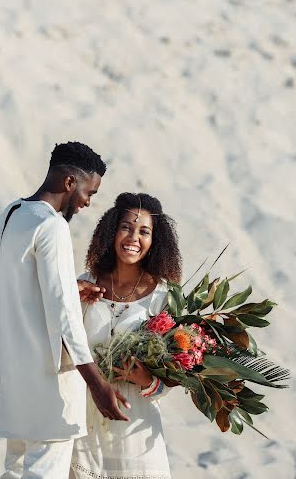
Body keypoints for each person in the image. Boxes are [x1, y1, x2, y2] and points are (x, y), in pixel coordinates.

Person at [0, 142, 130, 479]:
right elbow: (64, 317)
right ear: (68, 182)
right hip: (48, 388)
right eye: (88, 192)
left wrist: (67, 287)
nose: (87, 203)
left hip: (10, 384)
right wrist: (96, 383)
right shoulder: (52, 227)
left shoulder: (8, 215)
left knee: (14, 471)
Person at [70, 192, 182, 479]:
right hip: (83, 423)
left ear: (155, 241)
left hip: (135, 427)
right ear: (112, 230)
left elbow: (171, 380)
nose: (133, 237)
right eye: (126, 227)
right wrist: (69, 294)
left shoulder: (163, 298)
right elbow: (61, 343)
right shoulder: (86, 284)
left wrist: (144, 379)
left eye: (144, 231)